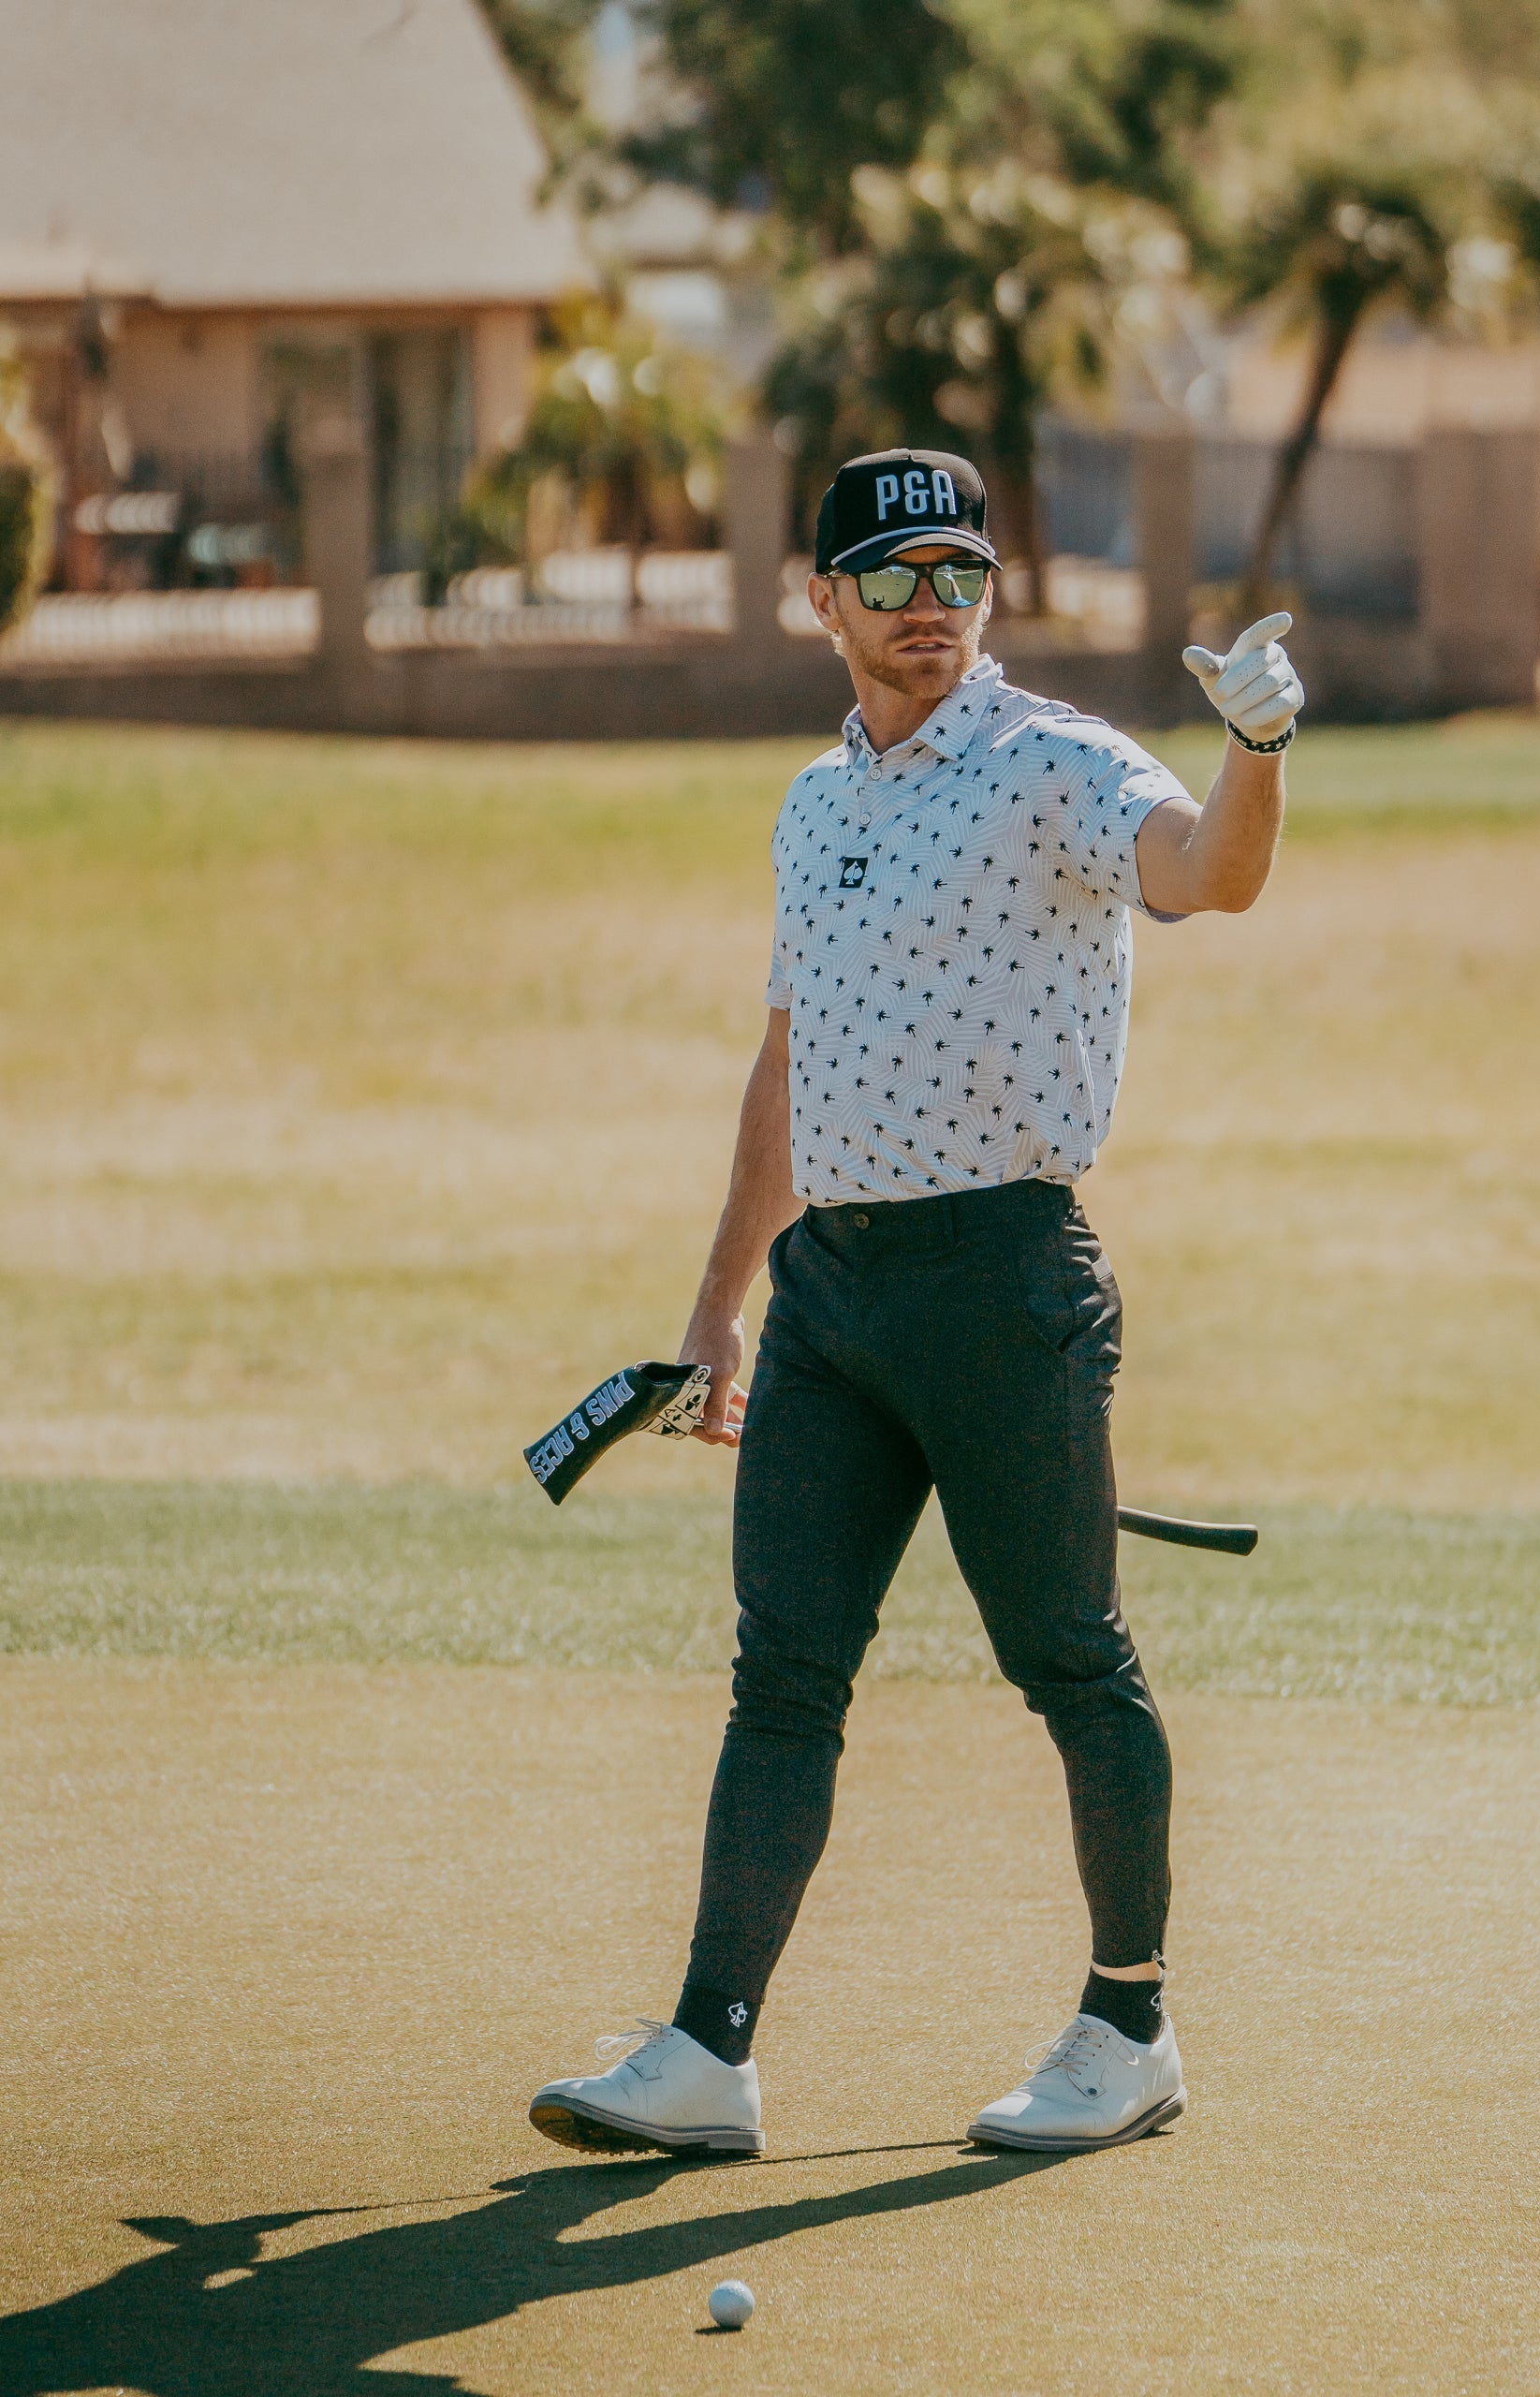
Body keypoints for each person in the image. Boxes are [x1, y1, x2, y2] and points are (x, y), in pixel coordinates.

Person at [529, 448, 1301, 2159]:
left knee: (1068, 1660)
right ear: (825, 600)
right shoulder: (817, 804)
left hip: (1003, 1282)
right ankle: (708, 2053)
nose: (931, 607)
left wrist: (1254, 753)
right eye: (893, 579)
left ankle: (1130, 2024)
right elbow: (793, 1055)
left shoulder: (1051, 764)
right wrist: (722, 1301)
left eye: (959, 573)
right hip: (834, 1300)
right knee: (782, 1674)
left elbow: (1207, 876)